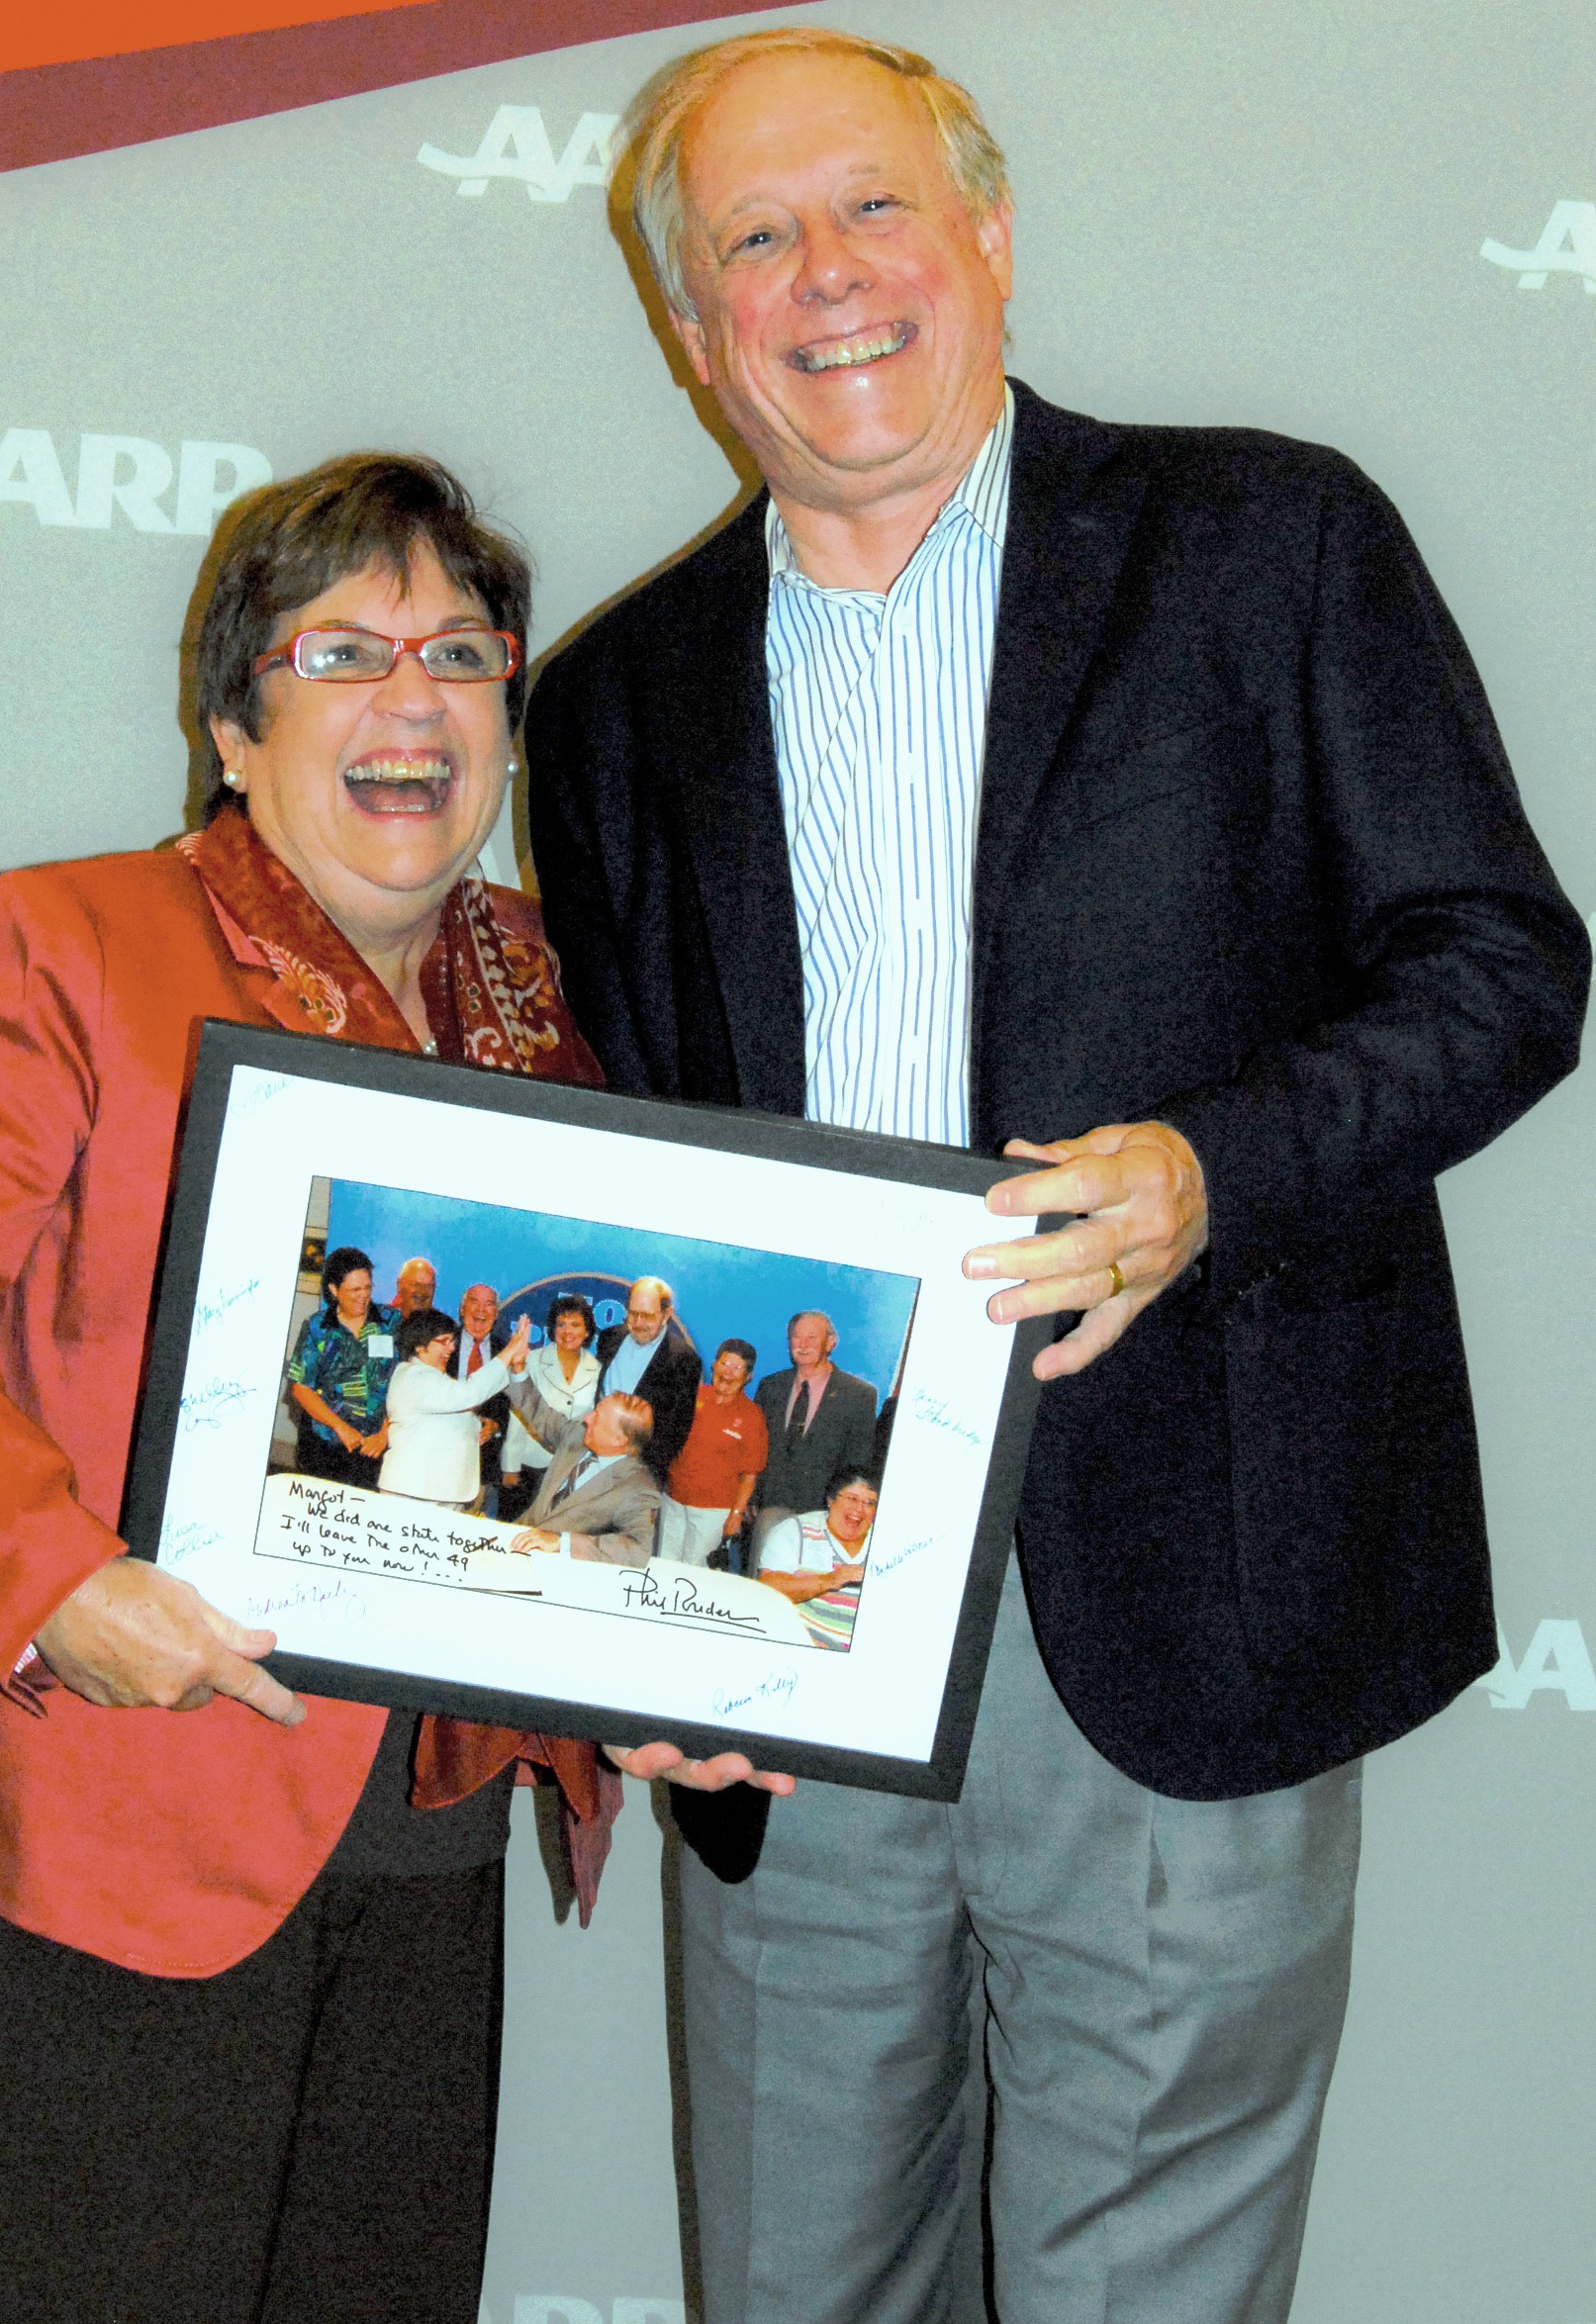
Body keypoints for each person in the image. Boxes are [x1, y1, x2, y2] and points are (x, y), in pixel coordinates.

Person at [521, 28, 1590, 2324]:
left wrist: (1209, 1169)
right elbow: (622, 1197)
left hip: (1189, 1582)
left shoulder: (1266, 540)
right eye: (754, 238)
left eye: (876, 206)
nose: (829, 277)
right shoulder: (615, 700)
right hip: (780, 1623)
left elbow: (1501, 964)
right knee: (796, 2279)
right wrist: (624, 1605)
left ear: (989, 234)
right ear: (696, 326)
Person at [0, 450, 610, 2324]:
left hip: (411, 1851)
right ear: (232, 722)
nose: (411, 699)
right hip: (77, 1811)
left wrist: (678, 1666)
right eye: (340, 652)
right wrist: (59, 1583)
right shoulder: (55, 944)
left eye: (461, 653)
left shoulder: (546, 995)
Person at [498, 1352, 663, 1567]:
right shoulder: (577, 1436)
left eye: (597, 1418)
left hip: (558, 1568)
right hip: (516, 1540)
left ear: (618, 1440)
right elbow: (540, 1413)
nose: (586, 1418)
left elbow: (637, 1550)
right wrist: (519, 1367)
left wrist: (561, 1543)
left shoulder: (638, 1489)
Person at [750, 1311, 877, 1553]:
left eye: (811, 1337)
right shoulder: (770, 1387)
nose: (803, 1345)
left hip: (822, 1518)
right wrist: (751, 1497)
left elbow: (858, 1462)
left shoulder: (859, 1395)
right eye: (796, 1337)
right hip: (767, 1511)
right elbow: (754, 1448)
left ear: (830, 1343)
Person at [380, 1308, 522, 1508]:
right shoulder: (414, 1377)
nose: (452, 1348)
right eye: (444, 1341)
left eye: (452, 1341)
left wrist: (479, 1423)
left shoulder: (434, 1377)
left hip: (438, 1491)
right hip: (415, 1492)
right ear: (420, 1346)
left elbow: (452, 1407)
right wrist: (509, 1351)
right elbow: (469, 1393)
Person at [285, 1244, 399, 1487]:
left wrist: (385, 1433)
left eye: (368, 1288)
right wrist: (339, 1427)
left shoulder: (390, 1322)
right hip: (327, 1447)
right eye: (354, 1289)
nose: (363, 1296)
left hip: (377, 1448)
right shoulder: (317, 1327)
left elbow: (408, 1381)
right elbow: (300, 1388)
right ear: (334, 1290)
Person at [659, 1338, 769, 1569]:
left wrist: (736, 1515)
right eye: (724, 1364)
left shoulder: (752, 1417)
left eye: (737, 1367)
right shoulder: (692, 1396)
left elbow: (750, 1474)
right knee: (663, 1564)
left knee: (695, 1572)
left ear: (748, 1376)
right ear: (714, 1366)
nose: (728, 1373)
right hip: (673, 1503)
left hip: (713, 1513)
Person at [500, 1290, 602, 1522]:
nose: (568, 1332)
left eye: (575, 1325)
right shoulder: (533, 1360)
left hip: (568, 1470)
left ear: (587, 1331)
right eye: (561, 1324)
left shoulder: (596, 1369)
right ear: (552, 1329)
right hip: (528, 1466)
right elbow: (518, 1413)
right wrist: (510, 1465)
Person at [756, 1463, 878, 1650]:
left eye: (870, 1503)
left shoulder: (884, 1542)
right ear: (831, 1500)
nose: (859, 1510)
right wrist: (828, 1581)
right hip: (805, 1642)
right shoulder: (796, 1530)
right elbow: (768, 1588)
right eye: (852, 1499)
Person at [594, 1273, 702, 1482]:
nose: (638, 1323)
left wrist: (639, 1472)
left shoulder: (684, 1361)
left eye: (648, 1315)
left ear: (667, 1314)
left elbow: (676, 1432)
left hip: (637, 1475)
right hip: (592, 1460)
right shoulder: (610, 1339)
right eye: (633, 1313)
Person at [450, 1281, 513, 1513]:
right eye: (474, 1302)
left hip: (482, 1465)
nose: (481, 1311)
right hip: (440, 1455)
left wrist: (495, 1425)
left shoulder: (504, 1353)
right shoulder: (442, 1343)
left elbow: (509, 1406)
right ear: (462, 1309)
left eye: (488, 1305)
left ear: (495, 1314)